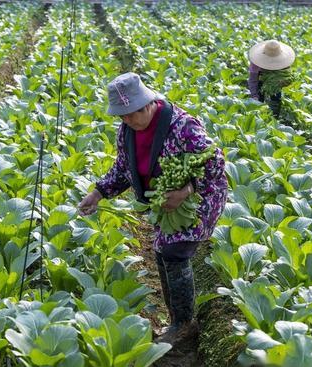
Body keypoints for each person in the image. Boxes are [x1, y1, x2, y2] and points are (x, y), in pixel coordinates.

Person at [78, 73, 227, 347]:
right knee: (161, 253)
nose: (126, 120)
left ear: (147, 104)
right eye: (121, 116)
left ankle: (184, 324)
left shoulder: (182, 126)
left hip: (199, 199)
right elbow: (123, 169)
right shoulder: (127, 132)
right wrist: (98, 193)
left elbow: (214, 162)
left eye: (130, 113)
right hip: (163, 204)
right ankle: (176, 320)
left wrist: (187, 191)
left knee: (174, 252)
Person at [248, 39, 295, 118]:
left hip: (276, 86)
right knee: (258, 104)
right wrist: (254, 95)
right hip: (260, 83)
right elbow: (253, 80)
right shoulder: (256, 63)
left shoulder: (283, 62)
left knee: (276, 101)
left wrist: (283, 83)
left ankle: (274, 119)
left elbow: (288, 78)